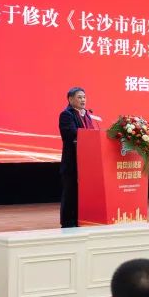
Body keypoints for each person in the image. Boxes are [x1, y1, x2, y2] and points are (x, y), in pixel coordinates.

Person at [59, 86, 98, 228]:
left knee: (83, 194)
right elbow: (71, 133)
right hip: (72, 161)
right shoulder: (66, 115)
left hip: (86, 161)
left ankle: (81, 219)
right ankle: (68, 222)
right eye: (79, 97)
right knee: (70, 192)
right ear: (70, 99)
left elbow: (91, 134)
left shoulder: (86, 115)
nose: (83, 100)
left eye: (84, 97)